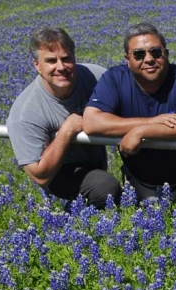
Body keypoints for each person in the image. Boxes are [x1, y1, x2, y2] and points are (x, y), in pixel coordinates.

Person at [83, 23, 176, 202]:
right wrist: (151, 122)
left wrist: (141, 132)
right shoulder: (115, 78)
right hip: (139, 186)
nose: (149, 59)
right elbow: (91, 122)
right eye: (139, 54)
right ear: (127, 59)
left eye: (155, 52)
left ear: (166, 53)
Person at [7, 26, 121, 209]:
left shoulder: (96, 77)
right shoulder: (25, 112)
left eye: (66, 59)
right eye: (51, 61)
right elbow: (39, 175)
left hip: (95, 160)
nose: (60, 67)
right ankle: (69, 220)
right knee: (105, 188)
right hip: (59, 172)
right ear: (37, 65)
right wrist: (67, 130)